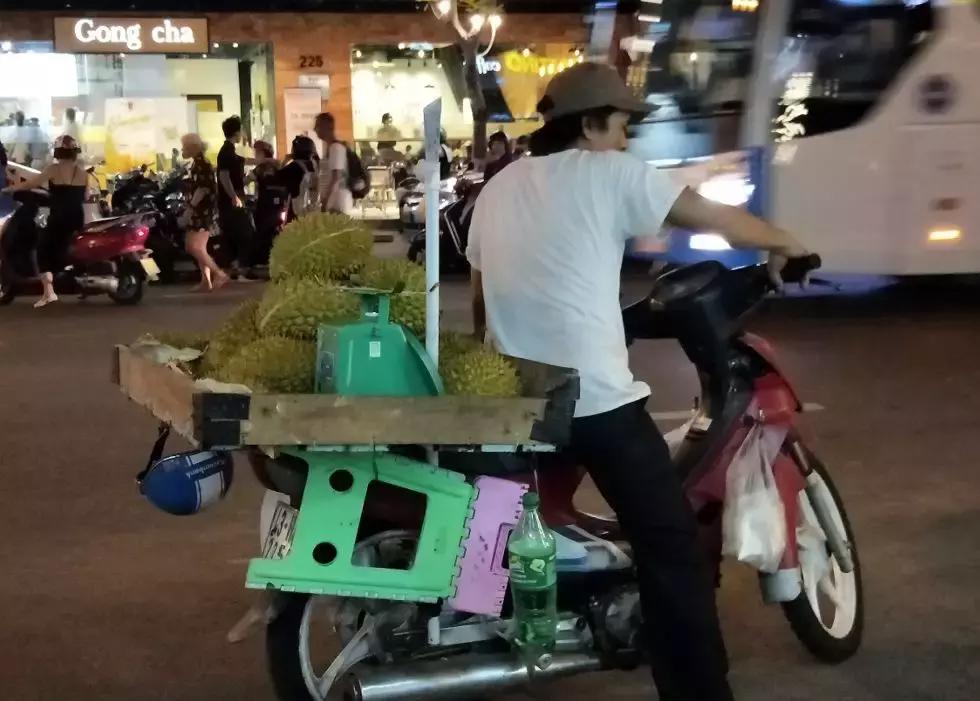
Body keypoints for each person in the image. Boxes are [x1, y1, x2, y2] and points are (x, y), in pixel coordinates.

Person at [467, 62, 810, 701]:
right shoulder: (611, 173)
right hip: (594, 404)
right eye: (622, 126)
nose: (626, 140)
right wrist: (786, 240)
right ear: (592, 124)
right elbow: (712, 215)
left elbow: (483, 304)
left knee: (487, 545)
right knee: (669, 546)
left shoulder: (499, 186)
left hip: (510, 401)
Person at [2, 135, 88, 307]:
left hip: (59, 218)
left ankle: (49, 293)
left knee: (41, 249)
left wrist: (9, 189)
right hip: (77, 218)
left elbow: (31, 184)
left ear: (57, 152)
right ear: (74, 153)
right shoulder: (83, 173)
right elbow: (86, 196)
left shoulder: (53, 170)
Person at [180, 133, 227, 292]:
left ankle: (218, 274)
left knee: (196, 247)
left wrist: (190, 209)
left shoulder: (202, 165)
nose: (182, 149)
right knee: (193, 246)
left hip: (202, 211)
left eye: (185, 146)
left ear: (193, 148)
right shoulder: (197, 164)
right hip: (199, 210)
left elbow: (203, 189)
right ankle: (206, 280)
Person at [216, 115, 254, 275]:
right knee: (244, 233)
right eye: (241, 130)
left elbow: (236, 173)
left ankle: (235, 268)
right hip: (230, 201)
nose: (243, 133)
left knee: (237, 234)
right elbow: (224, 177)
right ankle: (238, 268)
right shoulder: (226, 152)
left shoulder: (229, 151)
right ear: (236, 132)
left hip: (232, 200)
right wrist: (234, 197)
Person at [246, 140, 285, 265]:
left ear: (263, 152)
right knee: (273, 229)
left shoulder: (261, 168)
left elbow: (245, 181)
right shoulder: (277, 165)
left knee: (262, 230)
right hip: (277, 204)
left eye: (257, 152)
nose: (255, 154)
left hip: (264, 204)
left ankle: (263, 257)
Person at [314, 112, 353, 215]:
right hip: (333, 200)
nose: (315, 129)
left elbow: (336, 176)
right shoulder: (331, 148)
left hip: (337, 201)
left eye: (317, 126)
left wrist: (326, 199)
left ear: (327, 127)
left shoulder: (336, 148)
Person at [278, 135, 318, 222]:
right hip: (314, 210)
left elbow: (277, 179)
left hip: (296, 210)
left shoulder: (293, 167)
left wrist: (285, 161)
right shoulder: (316, 165)